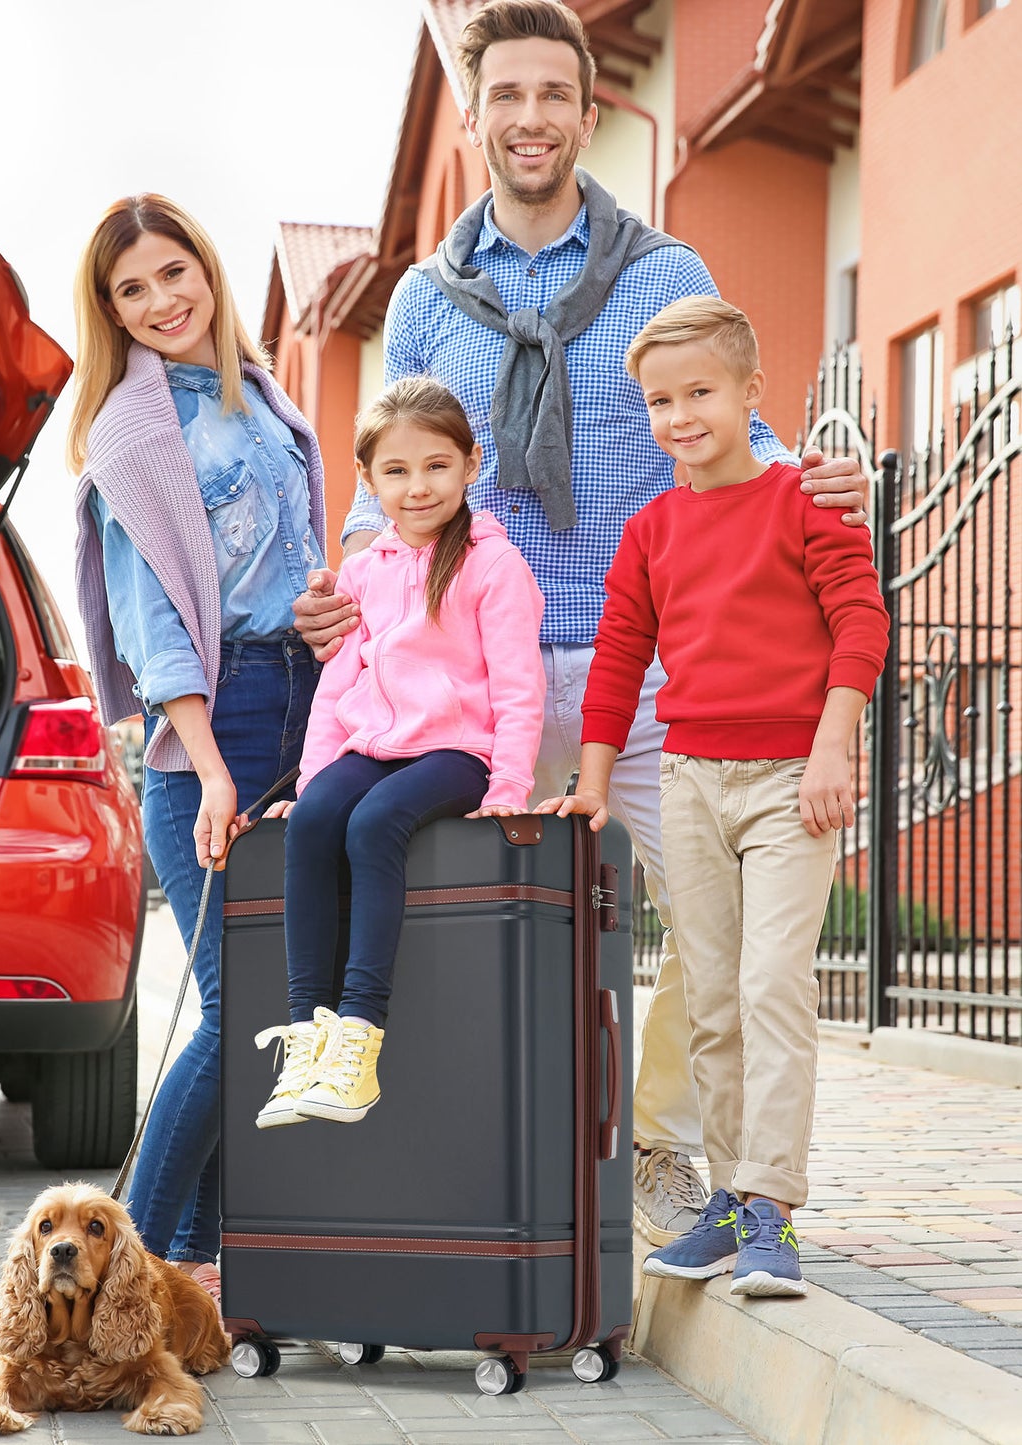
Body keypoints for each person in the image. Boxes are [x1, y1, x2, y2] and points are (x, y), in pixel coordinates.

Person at [291, 0, 871, 1245]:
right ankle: (456, 1173)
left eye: (552, 95)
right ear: (475, 111)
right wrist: (350, 577)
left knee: (709, 935)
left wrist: (804, 476)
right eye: (506, 95)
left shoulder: (661, 272)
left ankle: (661, 1144)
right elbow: (381, 477)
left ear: (586, 113)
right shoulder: (424, 300)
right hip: (469, 671)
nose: (530, 118)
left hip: (654, 665)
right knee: (447, 920)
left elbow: (722, 423)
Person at [539, 296, 888, 1295]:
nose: (679, 414)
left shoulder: (803, 500)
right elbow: (617, 657)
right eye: (658, 399)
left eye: (699, 392)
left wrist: (831, 745)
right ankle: (732, 1199)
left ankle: (770, 1208)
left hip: (789, 781)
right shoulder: (650, 528)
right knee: (710, 999)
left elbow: (858, 622)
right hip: (689, 780)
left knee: (772, 981)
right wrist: (593, 782)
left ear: (750, 393)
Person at [71, 195, 326, 1306]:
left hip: (300, 699)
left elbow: (295, 553)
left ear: (208, 273)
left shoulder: (260, 397)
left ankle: (211, 1264)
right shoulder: (131, 435)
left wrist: (325, 611)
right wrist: (211, 764)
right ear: (111, 312)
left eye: (174, 273)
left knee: (279, 1010)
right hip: (205, 734)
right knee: (234, 1012)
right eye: (133, 289)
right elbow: (151, 623)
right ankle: (136, 1260)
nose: (162, 300)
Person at [253, 378, 545, 1129]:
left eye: (436, 466)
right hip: (371, 743)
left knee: (372, 822)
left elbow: (518, 686)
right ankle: (308, 1039)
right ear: (368, 480)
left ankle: (358, 1034)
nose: (417, 487)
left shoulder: (492, 565)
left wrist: (509, 782)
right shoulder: (360, 572)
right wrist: (312, 781)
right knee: (315, 818)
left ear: (471, 465)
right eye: (396, 470)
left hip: (456, 750)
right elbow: (334, 689)